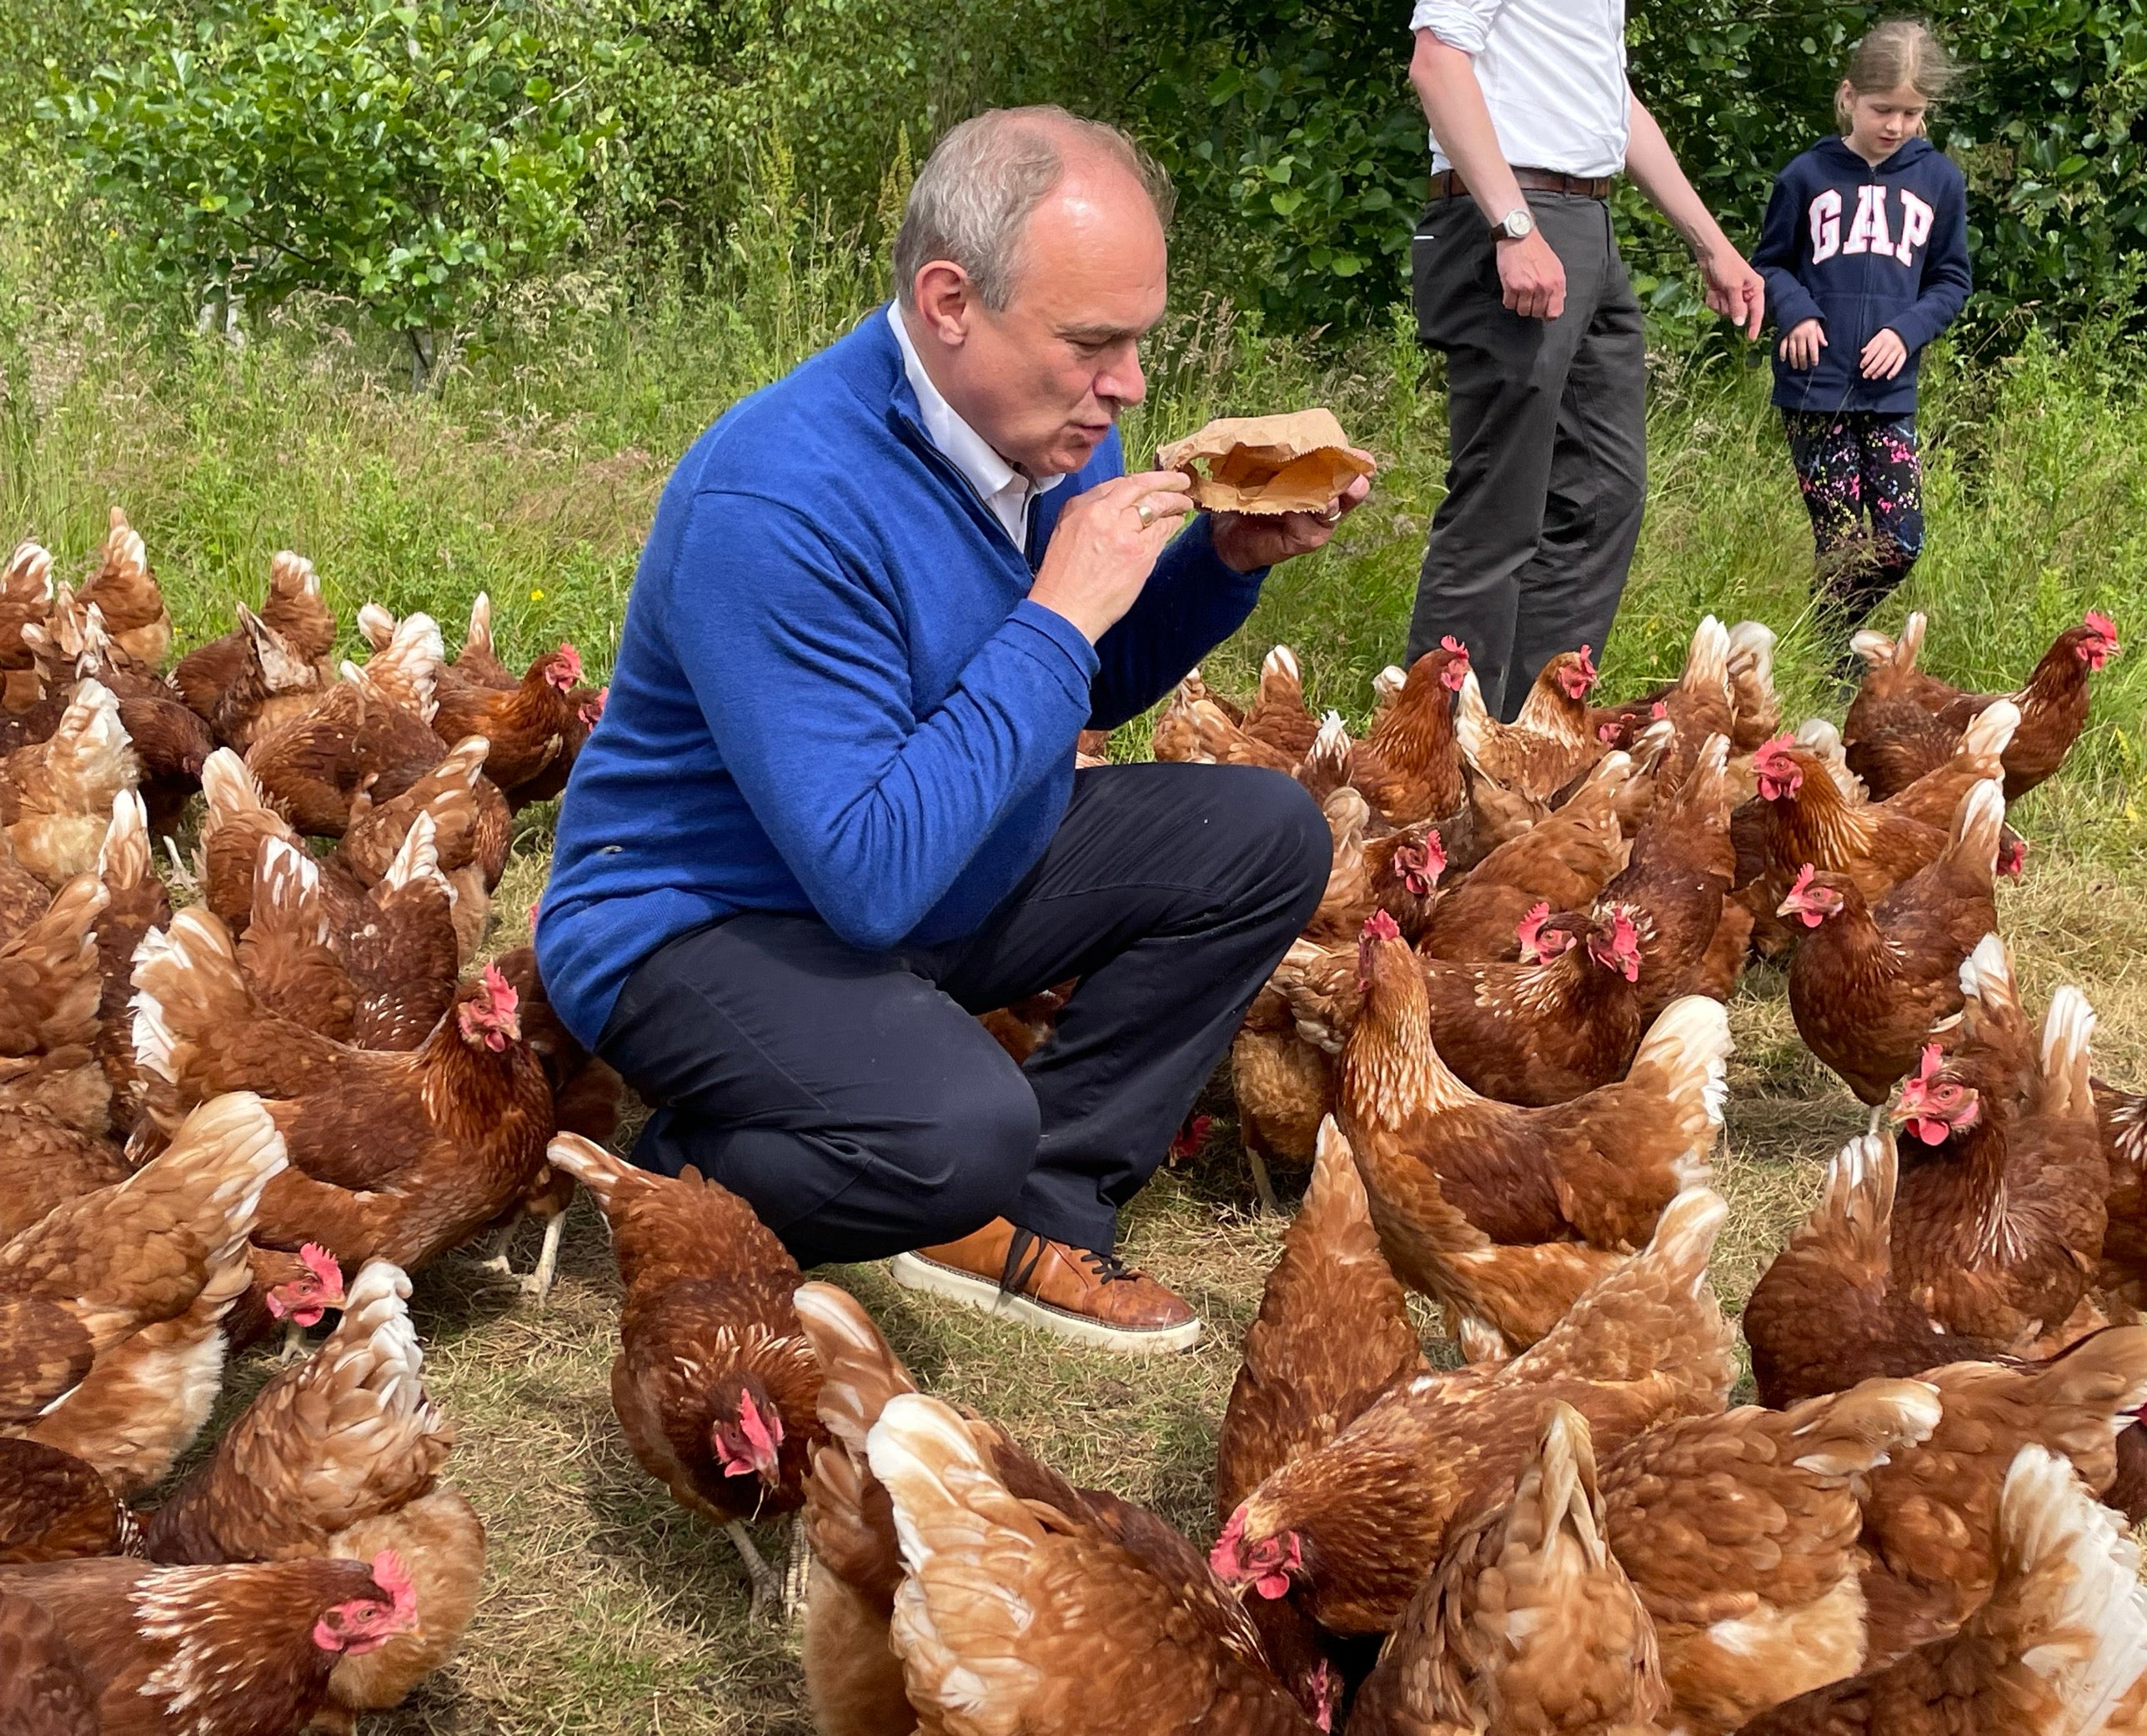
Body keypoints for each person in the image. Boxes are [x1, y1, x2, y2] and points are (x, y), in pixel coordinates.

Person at [534, 107, 1367, 1355]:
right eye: (1095, 343)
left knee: (1262, 832)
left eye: (1135, 342)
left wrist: (1220, 562)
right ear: (947, 302)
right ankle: (682, 1171)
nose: (1128, 384)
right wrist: (1055, 609)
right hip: (702, 911)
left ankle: (1035, 1205)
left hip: (930, 858)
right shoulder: (779, 496)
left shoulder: (1053, 425)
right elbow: (870, 877)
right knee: (948, 1131)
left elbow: (1082, 686)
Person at [1405, 0, 1766, 722]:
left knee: (1602, 497)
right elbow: (1437, 62)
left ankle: (1528, 748)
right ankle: (1432, 769)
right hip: (1516, 212)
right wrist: (1512, 226)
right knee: (1499, 509)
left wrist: (1712, 245)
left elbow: (1613, 101)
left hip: (1587, 222)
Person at [1751, 19, 1969, 648]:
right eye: (1882, 109)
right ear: (1849, 96)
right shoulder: (1806, 177)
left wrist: (1907, 332)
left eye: (1910, 111)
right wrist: (1794, 308)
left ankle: (1824, 634)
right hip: (1814, 389)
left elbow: (1951, 280)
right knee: (1840, 540)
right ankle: (1832, 667)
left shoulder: (1940, 183)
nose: (1895, 124)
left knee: (1901, 540)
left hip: (1889, 391)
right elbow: (1769, 264)